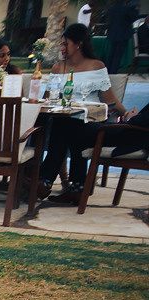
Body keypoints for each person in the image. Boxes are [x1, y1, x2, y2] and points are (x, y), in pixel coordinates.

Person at [37, 23, 130, 201]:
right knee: (64, 123)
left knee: (68, 125)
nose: (62, 48)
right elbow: (48, 99)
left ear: (78, 44)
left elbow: (110, 101)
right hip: (66, 120)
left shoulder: (96, 66)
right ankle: (77, 188)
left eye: (66, 44)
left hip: (91, 122)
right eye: (61, 45)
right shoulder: (58, 68)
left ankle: (45, 181)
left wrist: (127, 115)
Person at [106, 0, 138, 73]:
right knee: (118, 55)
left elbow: (110, 21)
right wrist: (136, 9)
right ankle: (113, 71)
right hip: (123, 34)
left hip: (113, 33)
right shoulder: (126, 9)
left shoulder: (112, 9)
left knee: (111, 54)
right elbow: (133, 18)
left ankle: (108, 70)